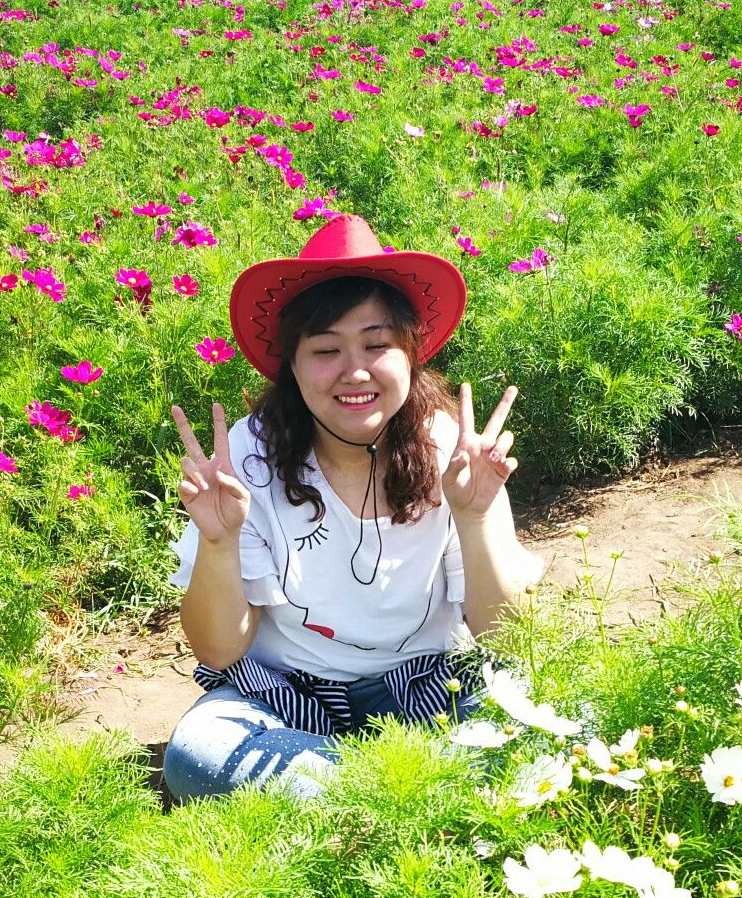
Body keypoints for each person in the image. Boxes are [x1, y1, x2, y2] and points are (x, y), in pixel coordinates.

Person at [163, 212, 544, 802]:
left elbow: (503, 631)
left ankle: (351, 797)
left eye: (377, 344)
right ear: (291, 365)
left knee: (552, 723)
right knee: (196, 756)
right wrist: (218, 543)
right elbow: (217, 649)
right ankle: (410, 790)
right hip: (284, 694)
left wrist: (472, 518)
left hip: (433, 684)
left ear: (412, 354)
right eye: (325, 349)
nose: (355, 371)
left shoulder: (454, 449)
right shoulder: (247, 459)